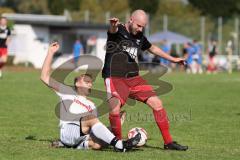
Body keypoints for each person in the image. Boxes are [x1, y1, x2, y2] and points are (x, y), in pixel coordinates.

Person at [102, 9, 188, 151]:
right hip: (115, 77)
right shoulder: (118, 30)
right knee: (115, 109)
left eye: (143, 26)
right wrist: (113, 25)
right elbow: (112, 31)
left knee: (157, 104)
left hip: (134, 78)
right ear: (131, 20)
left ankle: (168, 143)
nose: (141, 29)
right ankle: (118, 144)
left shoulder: (140, 36)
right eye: (139, 25)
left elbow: (152, 48)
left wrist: (173, 59)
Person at [40, 42, 141, 152]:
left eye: (90, 82)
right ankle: (120, 145)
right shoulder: (67, 92)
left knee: (99, 144)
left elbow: (96, 129)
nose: (90, 83)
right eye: (86, 80)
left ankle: (72, 146)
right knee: (91, 119)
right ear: (77, 83)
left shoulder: (91, 105)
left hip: (81, 137)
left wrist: (115, 124)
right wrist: (50, 52)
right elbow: (44, 77)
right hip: (69, 130)